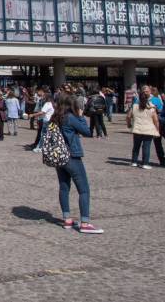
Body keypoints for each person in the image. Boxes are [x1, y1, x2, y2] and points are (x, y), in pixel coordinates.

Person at [49, 94, 102, 234]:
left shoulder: (55, 117)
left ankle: (67, 219)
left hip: (59, 156)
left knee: (64, 187)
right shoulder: (70, 118)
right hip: (72, 156)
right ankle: (85, 222)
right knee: (84, 189)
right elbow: (87, 132)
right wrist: (81, 115)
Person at [127, 91, 159, 169]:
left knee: (136, 146)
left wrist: (129, 124)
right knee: (146, 147)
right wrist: (157, 130)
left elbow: (128, 116)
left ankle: (134, 161)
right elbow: (156, 120)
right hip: (148, 130)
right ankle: (145, 163)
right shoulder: (152, 107)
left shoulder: (134, 106)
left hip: (137, 129)